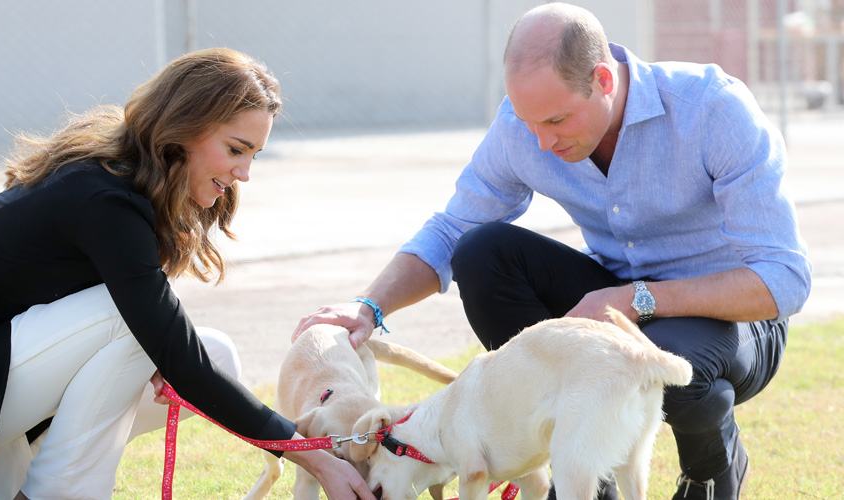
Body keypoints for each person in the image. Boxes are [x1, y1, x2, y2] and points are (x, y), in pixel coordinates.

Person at [294, 4, 811, 500]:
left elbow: (784, 279)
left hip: (733, 318)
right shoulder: (526, 125)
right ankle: (585, 475)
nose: (541, 142)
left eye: (557, 121)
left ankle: (711, 468)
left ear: (604, 81)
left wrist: (639, 298)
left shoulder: (714, 109)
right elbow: (453, 228)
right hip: (609, 299)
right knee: (482, 252)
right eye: (529, 121)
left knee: (662, 372)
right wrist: (369, 306)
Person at [0, 48, 374, 500]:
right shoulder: (103, 197)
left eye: (254, 154)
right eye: (235, 149)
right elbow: (170, 348)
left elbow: (182, 354)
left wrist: (161, 352)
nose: (244, 173)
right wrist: (312, 453)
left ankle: (27, 476)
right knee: (138, 324)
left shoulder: (123, 180)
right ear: (184, 128)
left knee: (215, 355)